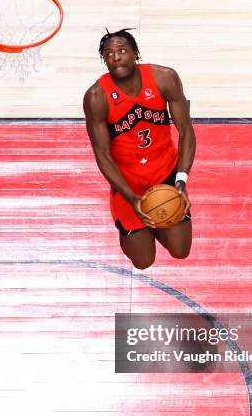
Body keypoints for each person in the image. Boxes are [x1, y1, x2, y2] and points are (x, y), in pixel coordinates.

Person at [83, 28, 196, 269]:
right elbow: (102, 155)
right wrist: (130, 197)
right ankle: (130, 230)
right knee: (144, 261)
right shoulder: (96, 97)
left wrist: (181, 180)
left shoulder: (165, 78)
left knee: (180, 251)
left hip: (165, 176)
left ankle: (158, 224)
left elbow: (186, 130)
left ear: (136, 53)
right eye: (109, 54)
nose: (116, 57)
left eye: (122, 51)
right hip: (129, 185)